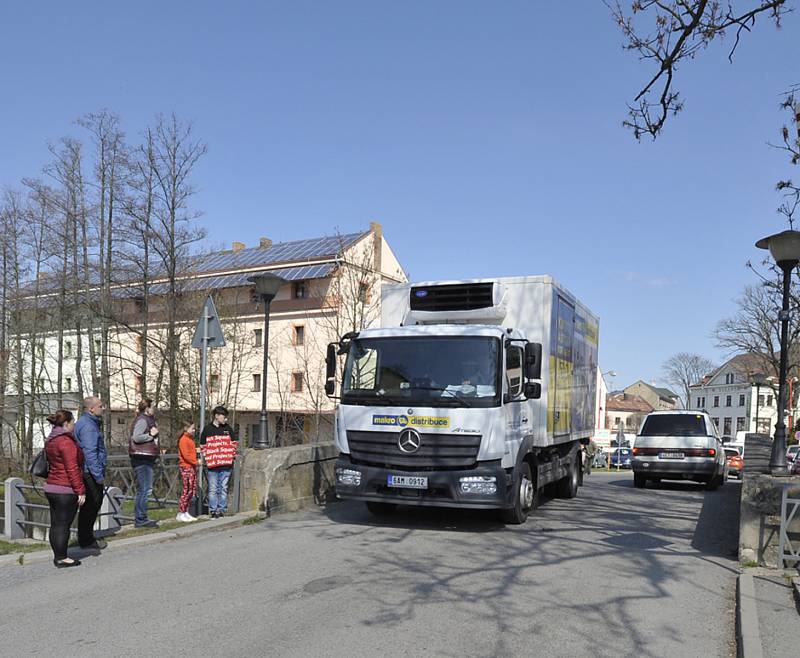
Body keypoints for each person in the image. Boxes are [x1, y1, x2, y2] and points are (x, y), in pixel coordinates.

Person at [44, 410, 86, 568]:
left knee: (56, 524)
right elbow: (72, 469)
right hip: (65, 489)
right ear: (67, 423)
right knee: (63, 525)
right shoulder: (66, 442)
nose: (74, 425)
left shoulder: (51, 440)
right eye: (73, 422)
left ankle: (58, 555)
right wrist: (80, 490)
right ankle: (61, 558)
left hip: (51, 487)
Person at [74, 396, 108, 550]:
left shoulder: (85, 422)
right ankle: (86, 539)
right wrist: (98, 476)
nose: (104, 408)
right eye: (101, 406)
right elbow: (90, 453)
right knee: (92, 505)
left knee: (90, 506)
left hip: (87, 471)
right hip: (90, 472)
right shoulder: (88, 426)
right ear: (91, 409)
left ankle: (85, 536)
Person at [200, 406, 237, 518]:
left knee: (223, 488)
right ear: (216, 416)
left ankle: (222, 509)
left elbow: (234, 445)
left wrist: (230, 456)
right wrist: (209, 458)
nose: (225, 419)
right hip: (213, 466)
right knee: (213, 488)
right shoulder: (207, 430)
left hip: (226, 465)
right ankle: (213, 510)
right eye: (224, 417)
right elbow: (203, 446)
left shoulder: (228, 429)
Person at [128, 398, 160, 528]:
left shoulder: (146, 419)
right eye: (152, 407)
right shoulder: (142, 420)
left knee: (145, 489)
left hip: (146, 458)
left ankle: (142, 517)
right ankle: (141, 519)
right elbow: (136, 437)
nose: (154, 409)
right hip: (141, 458)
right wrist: (151, 436)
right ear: (147, 408)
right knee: (145, 489)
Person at [176, 420, 198, 522]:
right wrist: (196, 461)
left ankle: (185, 511)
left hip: (191, 466)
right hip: (186, 467)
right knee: (187, 490)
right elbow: (186, 455)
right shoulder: (184, 440)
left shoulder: (190, 439)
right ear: (186, 428)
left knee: (191, 490)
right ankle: (181, 512)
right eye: (192, 428)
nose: (194, 430)